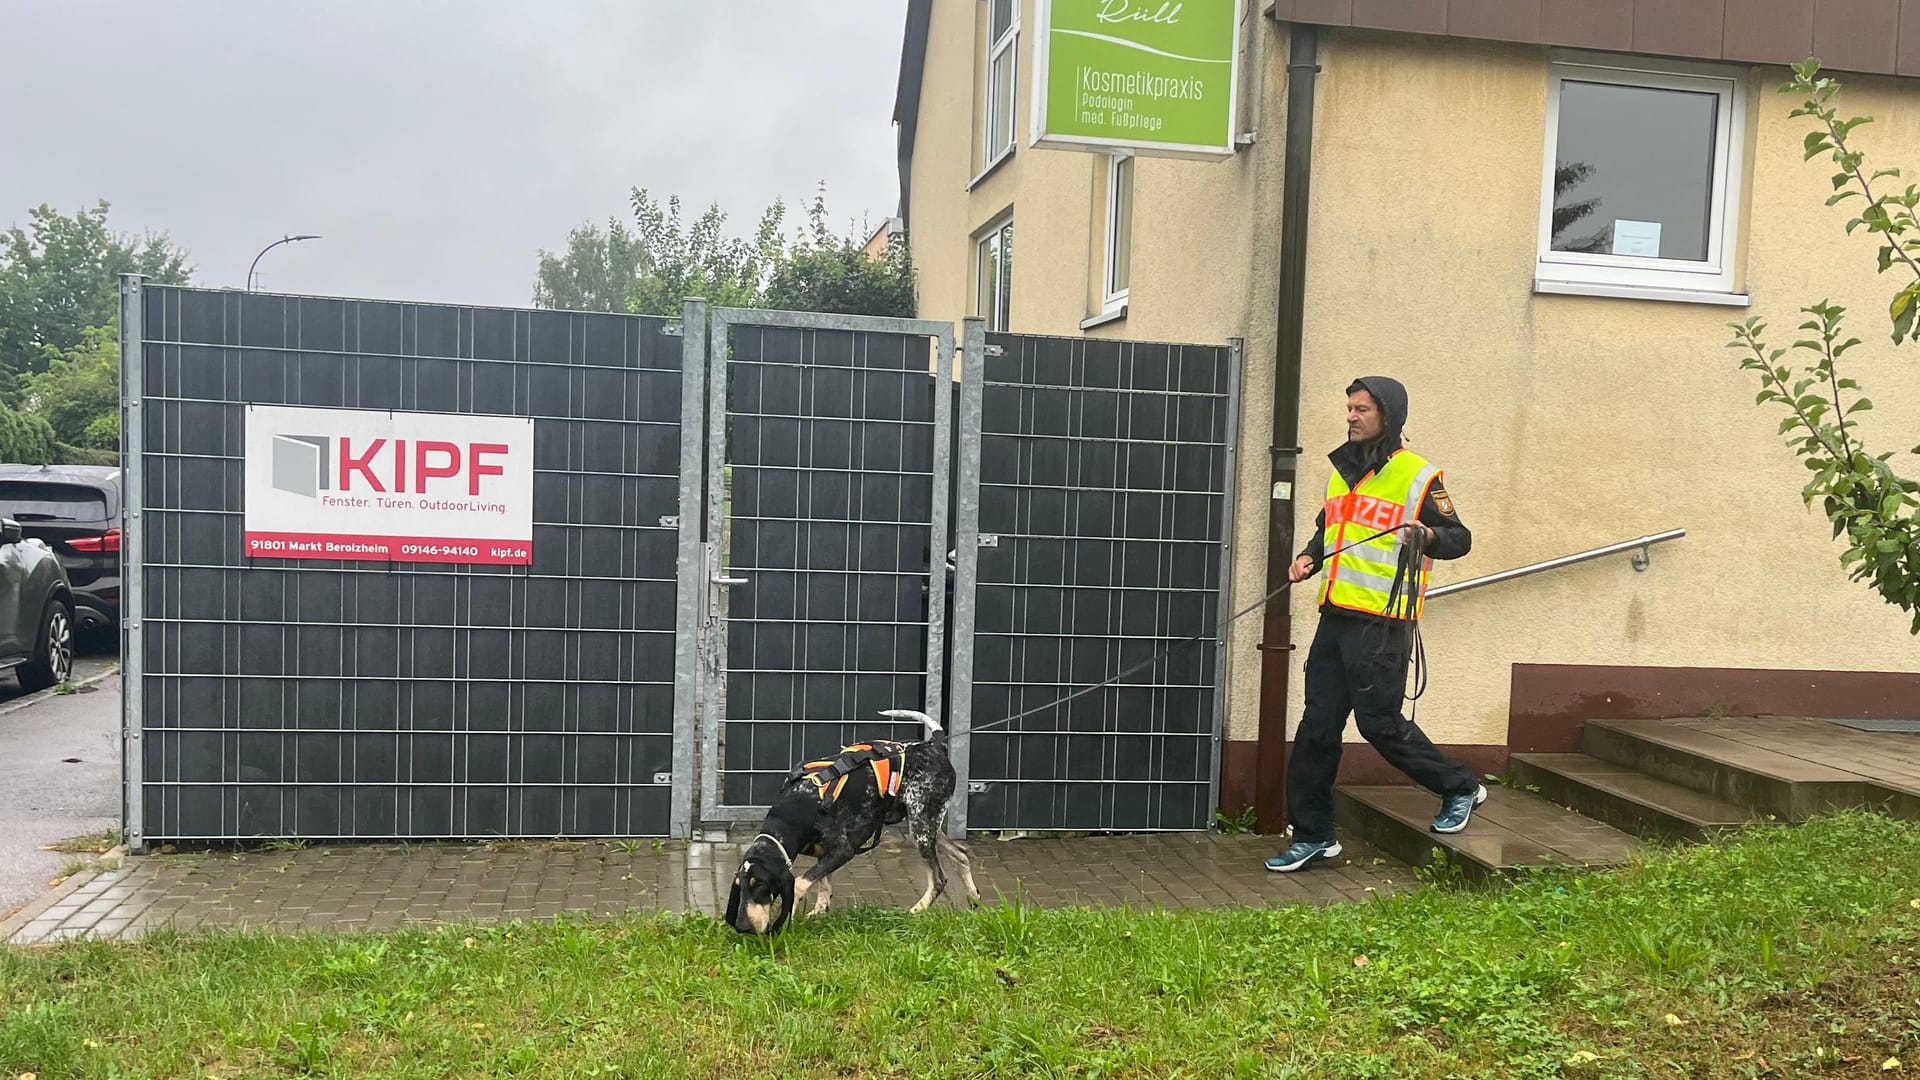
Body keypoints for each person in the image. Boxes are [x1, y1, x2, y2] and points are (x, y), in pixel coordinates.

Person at [1266, 376, 1486, 873]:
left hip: (1383, 624)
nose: (1351, 415)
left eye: (1361, 408)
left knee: (1379, 725)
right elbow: (1330, 530)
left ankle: (1461, 786)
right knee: (1316, 729)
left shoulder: (1418, 477)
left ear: (1388, 415)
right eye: (1348, 407)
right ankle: (1314, 835)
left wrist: (1426, 533)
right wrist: (1307, 558)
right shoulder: (1341, 472)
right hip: (1335, 618)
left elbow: (1460, 538)